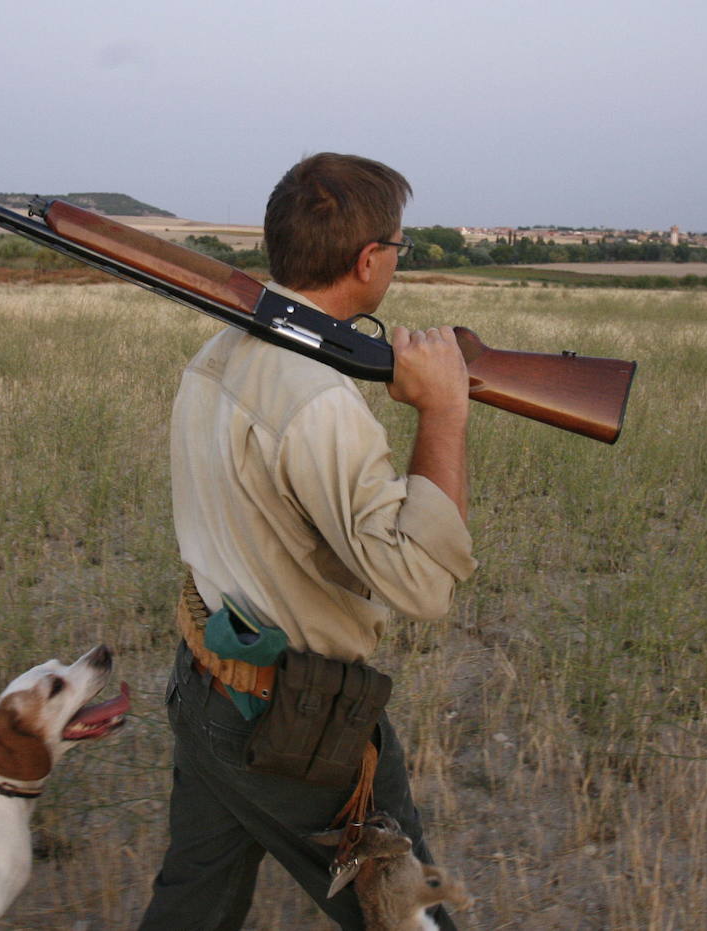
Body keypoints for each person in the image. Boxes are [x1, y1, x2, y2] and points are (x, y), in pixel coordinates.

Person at [139, 152, 477, 930]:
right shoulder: (319, 399)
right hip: (297, 724)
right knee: (411, 921)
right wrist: (445, 410)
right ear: (369, 260)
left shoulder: (219, 350)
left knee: (191, 908)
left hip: (206, 684)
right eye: (398, 247)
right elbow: (424, 582)